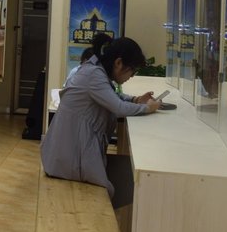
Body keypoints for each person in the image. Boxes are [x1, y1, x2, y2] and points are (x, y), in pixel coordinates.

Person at [41, 37, 161, 206]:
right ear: (118, 63)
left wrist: (135, 100)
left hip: (68, 153)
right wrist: (148, 108)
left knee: (130, 179)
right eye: (132, 71)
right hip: (69, 160)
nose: (131, 77)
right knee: (134, 184)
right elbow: (118, 107)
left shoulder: (94, 70)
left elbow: (111, 95)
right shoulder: (93, 75)